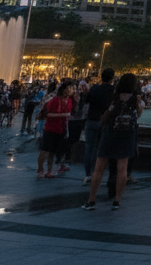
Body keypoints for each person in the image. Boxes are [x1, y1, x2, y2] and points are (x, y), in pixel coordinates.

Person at [84, 73, 142, 210]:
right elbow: (138, 115)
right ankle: (117, 201)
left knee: (99, 169)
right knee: (122, 169)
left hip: (110, 133)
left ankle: (91, 200)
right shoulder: (136, 99)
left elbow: (106, 115)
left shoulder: (114, 96)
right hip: (127, 135)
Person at [83, 69, 115, 185]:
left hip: (91, 120)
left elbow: (87, 102)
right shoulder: (113, 91)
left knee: (89, 147)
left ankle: (88, 174)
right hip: (105, 122)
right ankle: (99, 173)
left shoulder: (94, 89)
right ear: (112, 78)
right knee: (104, 148)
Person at [37, 81, 74, 179]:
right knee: (45, 150)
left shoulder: (69, 100)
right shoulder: (54, 100)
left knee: (52, 151)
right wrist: (63, 115)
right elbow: (47, 114)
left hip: (61, 129)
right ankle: (40, 169)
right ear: (64, 89)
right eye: (70, 88)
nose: (72, 90)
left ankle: (49, 170)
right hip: (50, 128)